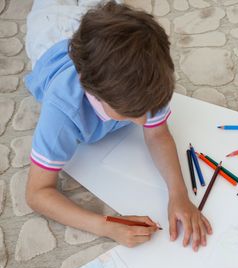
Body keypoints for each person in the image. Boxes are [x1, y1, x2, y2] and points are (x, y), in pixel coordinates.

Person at [24, 0, 212, 250]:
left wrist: (179, 194)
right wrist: (105, 225)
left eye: (150, 109)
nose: (146, 121)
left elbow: (158, 135)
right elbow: (37, 193)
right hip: (51, 24)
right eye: (132, 114)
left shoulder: (150, 85)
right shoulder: (61, 112)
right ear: (95, 93)